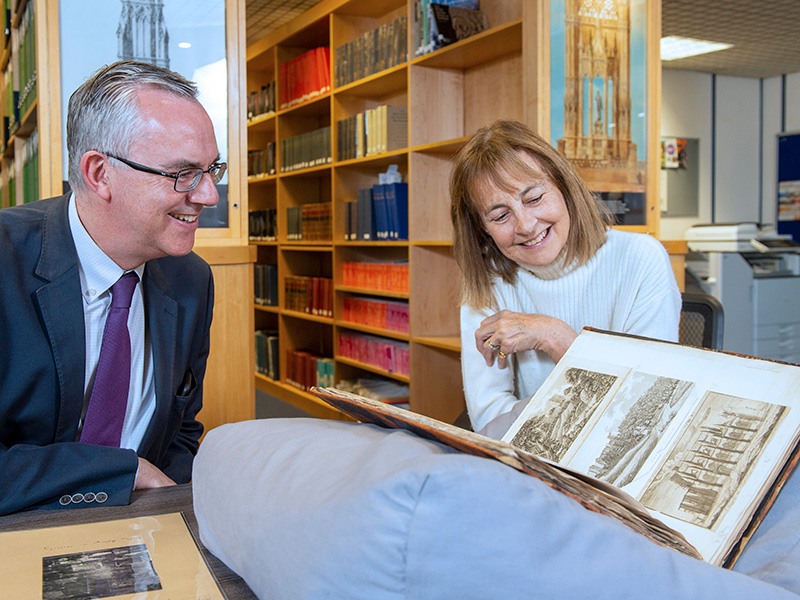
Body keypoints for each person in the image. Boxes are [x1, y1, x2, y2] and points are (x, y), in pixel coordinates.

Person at [0, 60, 226, 515]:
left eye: (211, 169)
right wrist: (121, 472)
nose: (209, 196)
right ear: (99, 173)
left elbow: (181, 432)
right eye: (183, 174)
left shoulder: (192, 281)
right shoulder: (7, 263)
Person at [450, 119, 680, 436]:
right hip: (528, 470)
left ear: (564, 189)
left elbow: (644, 410)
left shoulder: (640, 258)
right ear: (482, 229)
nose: (526, 225)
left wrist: (557, 338)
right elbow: (490, 424)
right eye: (501, 215)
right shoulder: (487, 280)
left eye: (534, 198)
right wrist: (598, 398)